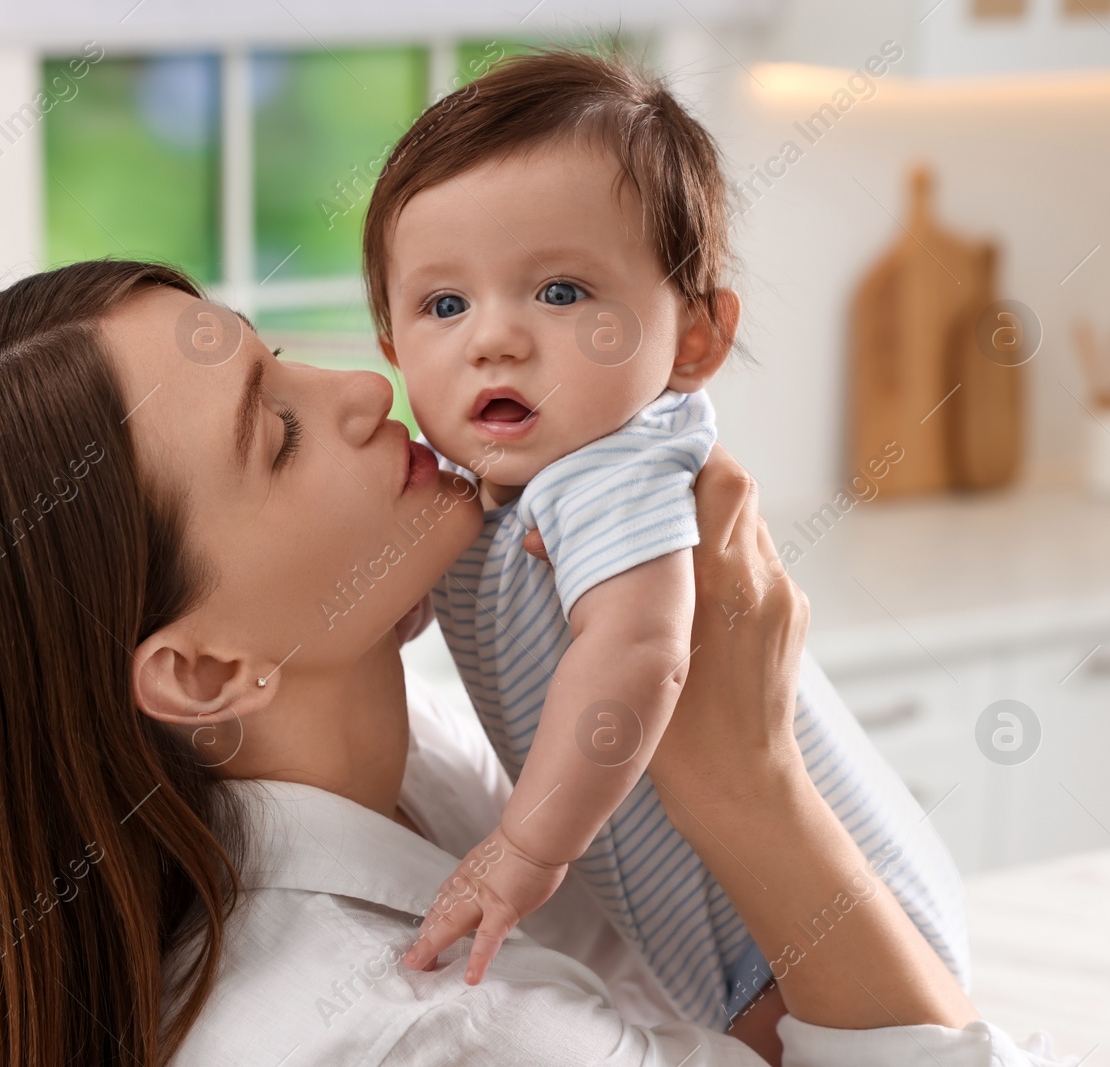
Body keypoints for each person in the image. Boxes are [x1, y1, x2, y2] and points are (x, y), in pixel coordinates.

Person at [0, 259, 1073, 1066]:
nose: (361, 390)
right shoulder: (419, 1031)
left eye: (275, 354)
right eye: (276, 429)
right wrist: (751, 776)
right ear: (203, 672)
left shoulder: (421, 763)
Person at [364, 48, 965, 1027]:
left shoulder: (611, 470)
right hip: (726, 925)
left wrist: (524, 849)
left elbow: (638, 651)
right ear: (392, 344)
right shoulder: (498, 490)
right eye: (444, 304)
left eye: (559, 292)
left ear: (692, 340)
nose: (494, 338)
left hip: (794, 928)